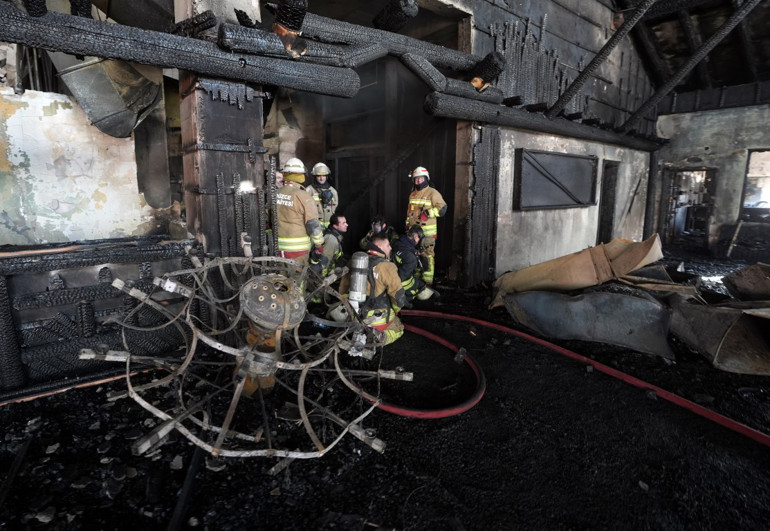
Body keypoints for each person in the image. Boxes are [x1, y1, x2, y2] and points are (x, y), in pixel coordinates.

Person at [339, 234, 406, 345]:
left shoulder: (354, 262)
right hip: (376, 319)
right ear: (379, 246)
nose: (390, 248)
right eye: (388, 245)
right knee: (398, 328)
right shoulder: (387, 266)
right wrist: (396, 310)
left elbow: (343, 290)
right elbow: (398, 298)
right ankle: (380, 337)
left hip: (353, 315)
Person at [275, 158, 325, 272]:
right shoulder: (303, 196)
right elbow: (312, 225)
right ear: (300, 175)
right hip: (298, 251)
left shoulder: (276, 193)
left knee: (281, 282)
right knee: (297, 282)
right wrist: (319, 245)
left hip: (278, 249)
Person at [405, 166, 446, 285]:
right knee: (415, 255)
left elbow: (443, 208)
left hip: (427, 234)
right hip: (413, 233)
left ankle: (428, 283)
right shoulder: (412, 194)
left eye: (420, 179)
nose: (418, 181)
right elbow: (409, 213)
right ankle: (417, 281)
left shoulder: (432, 193)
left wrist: (428, 213)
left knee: (427, 256)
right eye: (416, 179)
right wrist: (407, 225)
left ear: (426, 179)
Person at [392, 224, 437, 305]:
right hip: (400, 287)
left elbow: (404, 251)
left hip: (393, 276)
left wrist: (415, 252)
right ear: (416, 238)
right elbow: (400, 280)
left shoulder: (398, 242)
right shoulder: (411, 259)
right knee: (421, 289)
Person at [306, 162, 338, 228]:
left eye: (323, 176)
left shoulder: (333, 191)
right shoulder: (309, 190)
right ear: (315, 177)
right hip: (315, 226)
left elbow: (335, 205)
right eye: (319, 176)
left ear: (327, 176)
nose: (321, 178)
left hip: (329, 226)